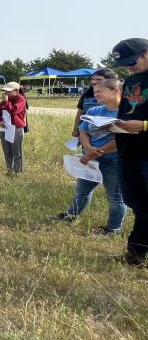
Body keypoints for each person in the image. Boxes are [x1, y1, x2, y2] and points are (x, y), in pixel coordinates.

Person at [55, 79, 127, 235]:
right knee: (82, 190)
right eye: (94, 92)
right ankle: (70, 215)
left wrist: (97, 151)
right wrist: (88, 148)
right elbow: (84, 130)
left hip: (113, 161)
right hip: (92, 160)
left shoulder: (126, 112)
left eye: (99, 91)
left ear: (115, 91)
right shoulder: (94, 111)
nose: (95, 95)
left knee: (115, 197)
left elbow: (122, 139)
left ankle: (113, 229)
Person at [110, 38, 148, 265]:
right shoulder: (132, 80)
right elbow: (126, 113)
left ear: (146, 53)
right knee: (139, 205)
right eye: (124, 64)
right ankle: (135, 255)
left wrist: (144, 126)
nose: (128, 67)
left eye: (131, 61)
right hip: (128, 152)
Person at [72, 68, 118, 137]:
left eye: (98, 80)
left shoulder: (118, 96)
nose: (94, 82)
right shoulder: (86, 95)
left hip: (110, 136)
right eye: (92, 79)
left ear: (110, 81)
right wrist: (75, 129)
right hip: (87, 134)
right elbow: (80, 113)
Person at [0, 82, 28, 174]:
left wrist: (6, 101)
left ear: (16, 91)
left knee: (16, 152)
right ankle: (10, 170)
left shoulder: (21, 100)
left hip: (15, 129)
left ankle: (17, 172)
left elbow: (14, 111)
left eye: (8, 91)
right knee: (7, 152)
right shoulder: (5, 101)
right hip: (4, 129)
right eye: (5, 91)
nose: (6, 93)